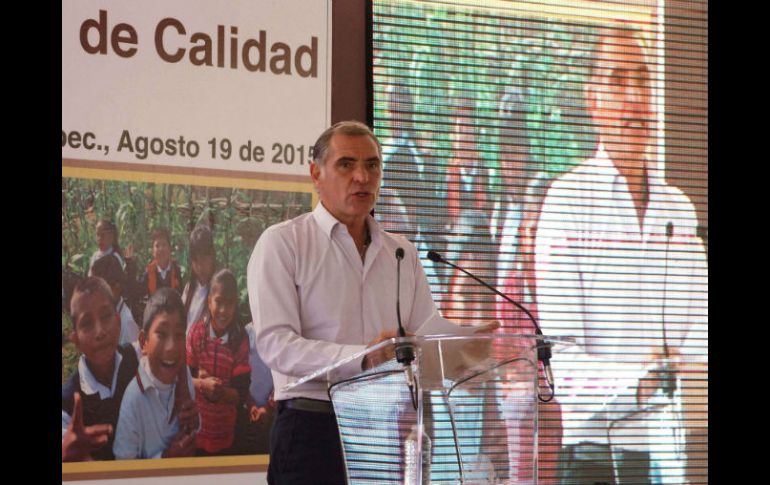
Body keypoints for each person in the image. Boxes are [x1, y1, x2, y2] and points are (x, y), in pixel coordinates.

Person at [533, 27, 708, 481]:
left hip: (669, 452)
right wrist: (644, 379)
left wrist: (681, 363)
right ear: (592, 101)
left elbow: (700, 331)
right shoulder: (567, 201)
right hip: (596, 451)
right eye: (617, 80)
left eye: (643, 79)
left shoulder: (679, 209)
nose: (634, 95)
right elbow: (560, 358)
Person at [247, 121, 461, 484]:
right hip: (314, 428)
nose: (362, 176)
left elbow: (423, 338)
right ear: (316, 173)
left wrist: (466, 347)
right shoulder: (284, 244)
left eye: (372, 165)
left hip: (388, 431)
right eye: (346, 164)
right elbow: (276, 345)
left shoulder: (402, 253)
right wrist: (363, 356)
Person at [112, 288, 199, 460]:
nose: (171, 347)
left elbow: (193, 426)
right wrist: (165, 459)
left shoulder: (184, 374)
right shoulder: (133, 399)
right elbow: (123, 467)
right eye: (161, 334)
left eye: (179, 335)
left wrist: (195, 422)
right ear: (144, 342)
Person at [62, 277, 139, 461]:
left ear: (119, 322)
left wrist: (186, 388)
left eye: (105, 316)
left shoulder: (136, 357)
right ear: (76, 340)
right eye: (87, 323)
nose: (100, 331)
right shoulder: (68, 406)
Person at [187, 269, 251, 456]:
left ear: (236, 303)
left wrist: (219, 391)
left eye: (229, 303)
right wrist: (201, 384)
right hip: (196, 433)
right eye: (218, 301)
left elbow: (240, 393)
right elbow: (183, 380)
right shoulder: (196, 334)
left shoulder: (239, 340)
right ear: (209, 301)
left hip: (226, 437)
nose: (223, 310)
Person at [90, 254, 140, 347]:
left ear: (117, 287)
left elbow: (131, 359)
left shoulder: (126, 324)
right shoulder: (107, 313)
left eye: (101, 290)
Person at [181, 224, 217, 332]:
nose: (200, 266)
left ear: (212, 256)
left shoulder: (217, 290)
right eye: (196, 260)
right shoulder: (189, 288)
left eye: (205, 258)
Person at [139, 227, 182, 298]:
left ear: (169, 249)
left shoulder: (176, 270)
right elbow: (137, 292)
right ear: (153, 251)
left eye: (164, 245)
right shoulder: (148, 272)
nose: (161, 249)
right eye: (157, 246)